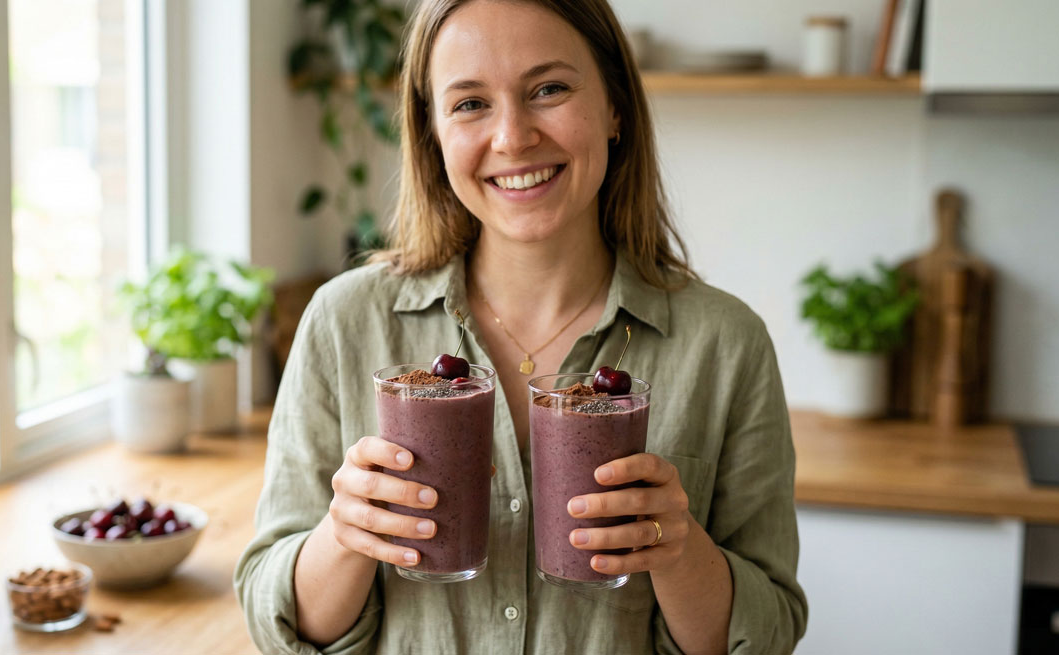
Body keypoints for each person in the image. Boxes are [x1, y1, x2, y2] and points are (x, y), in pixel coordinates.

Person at [234, 0, 807, 652]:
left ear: (615, 105)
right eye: (470, 103)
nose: (512, 136)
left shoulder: (727, 346)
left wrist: (678, 549)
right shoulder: (343, 323)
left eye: (549, 89)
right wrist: (345, 535)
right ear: (433, 134)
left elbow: (769, 631)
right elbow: (274, 619)